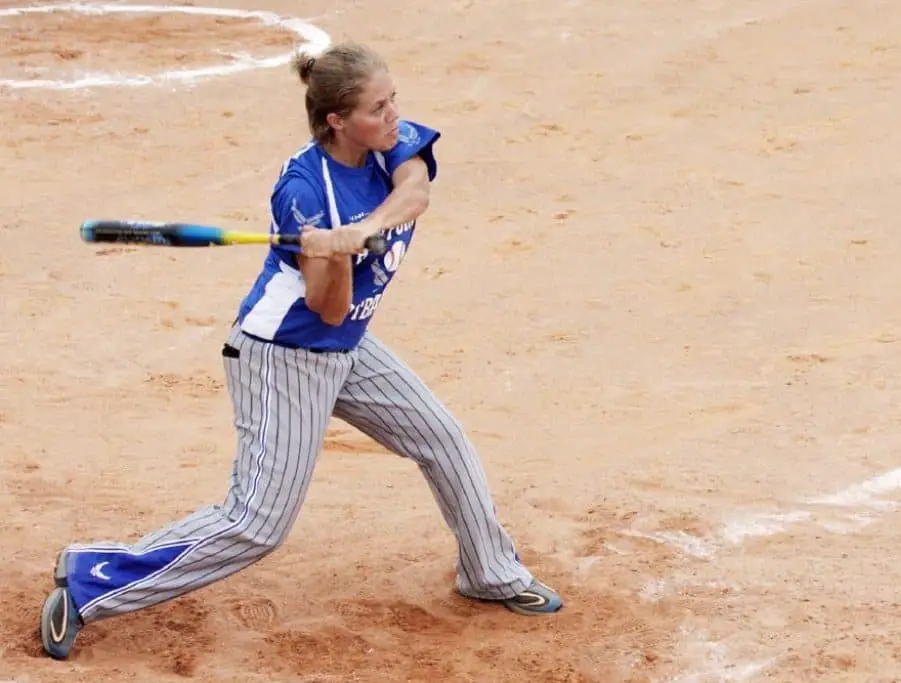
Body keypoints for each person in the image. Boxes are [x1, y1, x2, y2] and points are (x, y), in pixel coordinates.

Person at [39, 41, 562, 661]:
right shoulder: (305, 192)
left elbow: (416, 188)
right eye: (378, 107)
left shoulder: (387, 141)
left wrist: (363, 231)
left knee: (441, 439)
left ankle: (489, 572)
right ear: (338, 121)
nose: (394, 115)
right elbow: (329, 308)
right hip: (283, 355)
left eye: (393, 99)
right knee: (256, 524)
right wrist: (333, 255)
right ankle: (90, 582)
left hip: (348, 350)